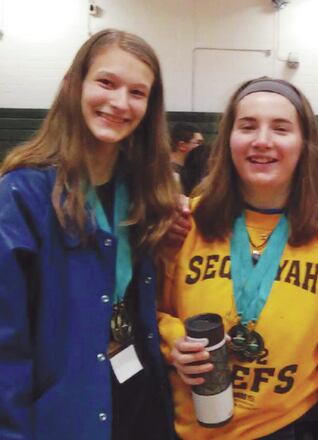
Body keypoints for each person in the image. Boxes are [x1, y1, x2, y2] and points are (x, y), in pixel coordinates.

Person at [157, 77, 318, 439]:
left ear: (304, 144)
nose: (262, 140)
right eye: (248, 126)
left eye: (281, 128)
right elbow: (145, 312)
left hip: (286, 428)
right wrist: (173, 341)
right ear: (228, 139)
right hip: (188, 428)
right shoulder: (187, 223)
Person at [0, 29, 178, 439]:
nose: (120, 102)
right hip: (63, 415)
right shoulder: (22, 195)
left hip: (137, 400)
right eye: (106, 83)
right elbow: (7, 343)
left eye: (137, 92)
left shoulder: (145, 194)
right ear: (73, 85)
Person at [169, 122, 204, 194]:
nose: (201, 147)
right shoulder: (170, 174)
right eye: (198, 143)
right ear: (181, 145)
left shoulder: (186, 171)